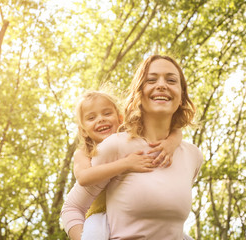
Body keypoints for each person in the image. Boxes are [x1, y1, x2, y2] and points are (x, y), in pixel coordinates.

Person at [61, 55, 203, 240]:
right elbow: (72, 208)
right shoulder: (115, 146)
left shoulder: (192, 156)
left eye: (171, 80)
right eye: (151, 80)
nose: (161, 85)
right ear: (139, 92)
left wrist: (173, 141)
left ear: (182, 96)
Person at [72, 91, 183, 239]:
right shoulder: (84, 153)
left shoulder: (130, 139)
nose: (100, 120)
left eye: (106, 113)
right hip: (102, 215)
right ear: (83, 130)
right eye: (91, 118)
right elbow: (83, 177)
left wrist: (171, 143)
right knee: (93, 234)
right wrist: (126, 164)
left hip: (134, 213)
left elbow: (175, 129)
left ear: (120, 118)